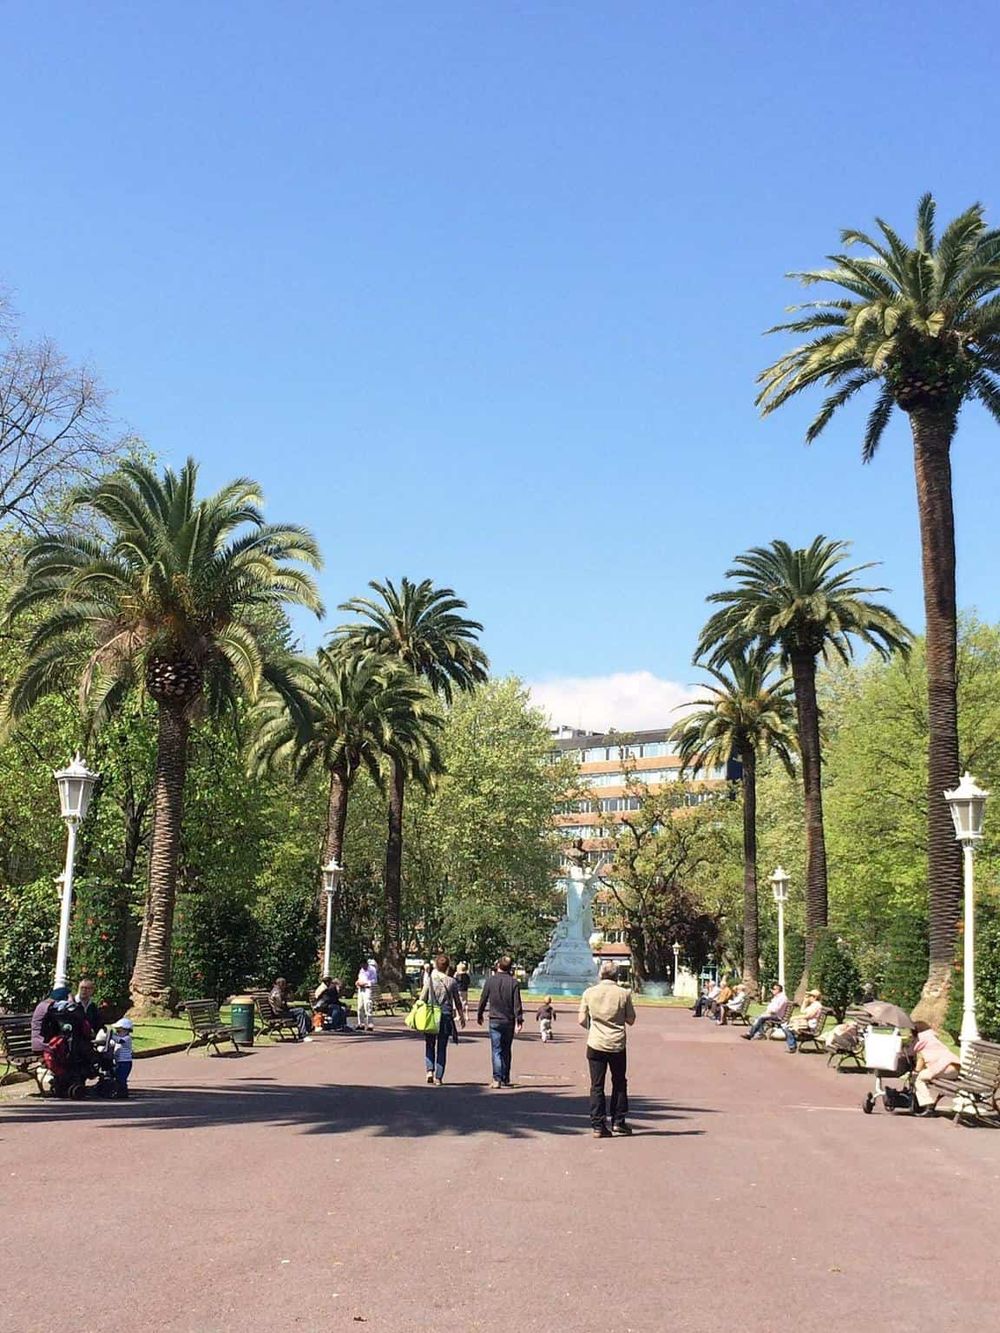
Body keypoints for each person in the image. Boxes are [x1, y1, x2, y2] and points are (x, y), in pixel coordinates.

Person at [579, 960, 637, 1138]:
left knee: (597, 1085)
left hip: (596, 1042)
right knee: (619, 1082)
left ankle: (598, 1125)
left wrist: (593, 1028)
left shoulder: (589, 993)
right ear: (616, 975)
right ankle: (618, 1121)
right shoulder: (623, 993)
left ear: (600, 974)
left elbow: (581, 1020)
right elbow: (631, 1019)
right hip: (616, 1043)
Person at [476, 956, 523, 1088]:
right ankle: (505, 1078)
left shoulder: (490, 981)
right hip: (508, 1019)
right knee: (506, 1049)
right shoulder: (513, 983)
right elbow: (517, 1003)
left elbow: (483, 998)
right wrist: (519, 1020)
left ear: (498, 966)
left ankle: (497, 1078)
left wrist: (479, 1014)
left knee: (496, 1050)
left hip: (494, 1018)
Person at [420, 953, 465, 1085]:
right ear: (447, 967)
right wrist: (461, 1016)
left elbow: (422, 998)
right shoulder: (451, 982)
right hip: (445, 1015)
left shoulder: (430, 980)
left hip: (431, 1014)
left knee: (429, 1043)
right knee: (442, 1046)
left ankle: (429, 1070)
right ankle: (438, 1077)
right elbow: (457, 1001)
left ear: (436, 965)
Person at [910, 1021, 960, 1114]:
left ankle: (927, 1104)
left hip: (946, 1069)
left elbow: (921, 1060)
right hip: (954, 1068)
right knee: (926, 1075)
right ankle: (928, 1103)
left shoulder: (922, 1042)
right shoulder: (932, 1038)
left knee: (918, 1078)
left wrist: (915, 1072)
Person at [108, 1017, 134, 1098]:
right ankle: (118, 1091)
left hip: (125, 1062)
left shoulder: (127, 1038)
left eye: (119, 1031)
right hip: (118, 1061)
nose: (117, 1033)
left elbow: (120, 1041)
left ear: (126, 1031)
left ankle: (123, 1093)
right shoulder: (118, 1038)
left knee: (121, 1078)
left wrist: (111, 1035)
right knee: (117, 1077)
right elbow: (112, 1043)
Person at [355, 960, 378, 1032]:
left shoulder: (372, 970)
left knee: (368, 1006)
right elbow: (360, 978)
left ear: (366, 964)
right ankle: (361, 1024)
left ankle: (370, 1024)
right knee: (360, 1007)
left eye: (363, 965)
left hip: (367, 989)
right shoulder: (361, 970)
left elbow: (374, 980)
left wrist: (365, 983)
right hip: (360, 990)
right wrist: (358, 982)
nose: (362, 967)